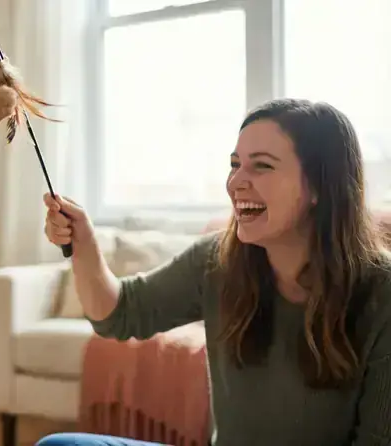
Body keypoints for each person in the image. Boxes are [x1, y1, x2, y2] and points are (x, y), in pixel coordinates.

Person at [36, 98, 391, 446]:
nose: (236, 182)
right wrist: (83, 244)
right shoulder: (216, 262)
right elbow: (119, 313)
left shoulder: (382, 291)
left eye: (262, 166)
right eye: (235, 164)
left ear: (319, 186)